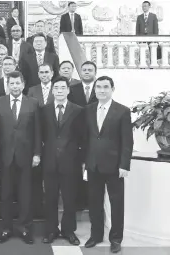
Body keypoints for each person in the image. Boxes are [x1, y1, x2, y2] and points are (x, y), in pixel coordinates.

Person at [84, 76, 133, 254]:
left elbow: (127, 141)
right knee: (94, 203)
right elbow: (86, 138)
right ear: (94, 89)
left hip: (114, 167)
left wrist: (124, 165)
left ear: (112, 89)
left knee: (116, 203)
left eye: (105, 87)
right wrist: (85, 162)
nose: (101, 90)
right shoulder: (88, 110)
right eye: (98, 87)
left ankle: (116, 239)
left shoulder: (122, 111)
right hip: (93, 165)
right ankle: (96, 235)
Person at [0, 71, 41, 245]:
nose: (14, 86)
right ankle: (6, 228)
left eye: (17, 83)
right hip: (5, 157)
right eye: (11, 83)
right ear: (8, 85)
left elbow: (37, 131)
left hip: (26, 157)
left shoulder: (33, 103)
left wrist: (37, 153)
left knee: (25, 195)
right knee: (5, 195)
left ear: (23, 84)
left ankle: (24, 228)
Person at [40, 76, 85, 245]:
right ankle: (51, 230)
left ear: (68, 90)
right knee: (50, 198)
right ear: (52, 91)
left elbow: (82, 137)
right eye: (56, 88)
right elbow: (41, 135)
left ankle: (68, 230)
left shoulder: (78, 110)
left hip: (70, 162)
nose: (59, 91)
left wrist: (80, 160)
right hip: (49, 161)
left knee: (69, 198)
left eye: (62, 88)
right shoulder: (44, 110)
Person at [67, 60, 98, 211]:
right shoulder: (72, 89)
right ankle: (79, 201)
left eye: (89, 70)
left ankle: (92, 202)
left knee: (92, 168)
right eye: (84, 69)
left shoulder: (100, 88)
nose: (86, 72)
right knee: (77, 169)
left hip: (95, 134)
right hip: (77, 134)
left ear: (94, 73)